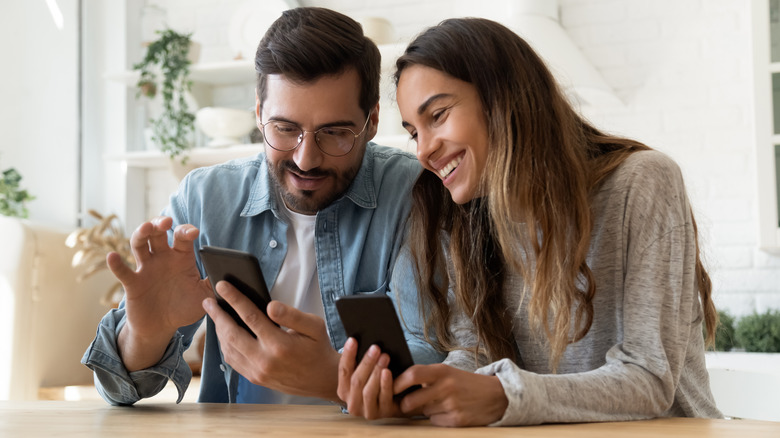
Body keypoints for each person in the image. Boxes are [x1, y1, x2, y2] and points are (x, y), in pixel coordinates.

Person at [337, 17, 723, 426]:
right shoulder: (468, 219)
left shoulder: (643, 183)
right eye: (414, 133)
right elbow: (475, 353)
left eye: (439, 115)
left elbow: (649, 380)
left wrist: (504, 395)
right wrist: (424, 390)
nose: (424, 151)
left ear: (502, 98)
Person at [81, 7, 443, 406]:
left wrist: (332, 376)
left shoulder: (417, 194)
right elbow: (119, 389)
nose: (306, 159)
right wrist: (145, 334)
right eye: (285, 129)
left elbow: (436, 360)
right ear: (258, 114)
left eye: (334, 133)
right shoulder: (203, 199)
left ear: (372, 121)